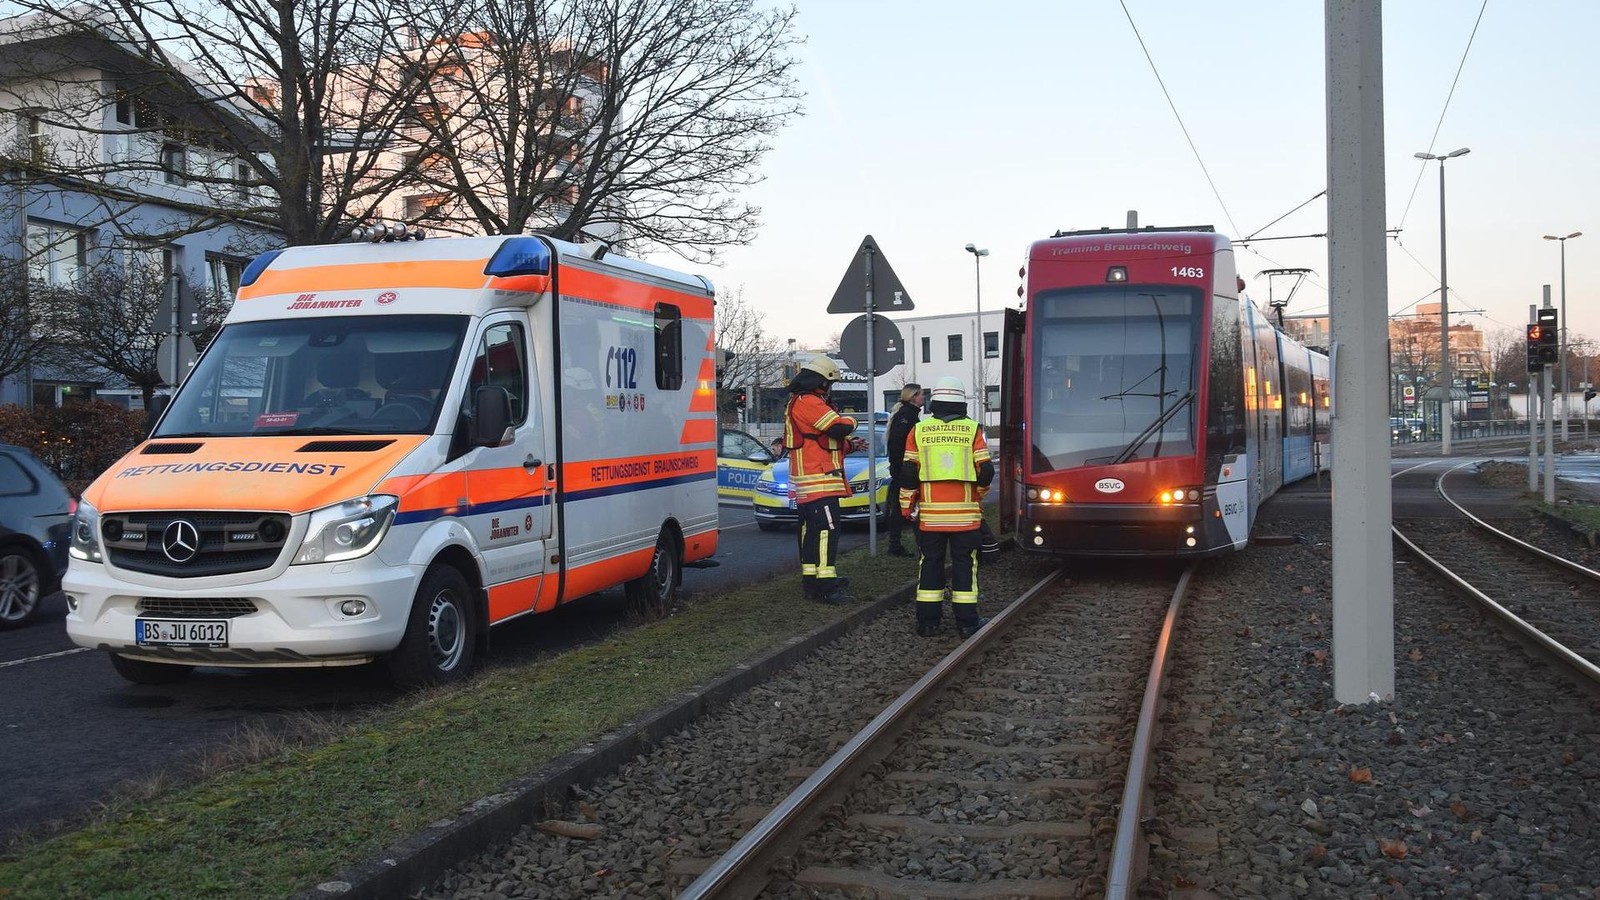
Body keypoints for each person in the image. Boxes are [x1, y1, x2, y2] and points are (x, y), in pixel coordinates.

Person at [899, 375, 994, 638]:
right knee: (965, 565)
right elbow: (985, 472)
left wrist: (907, 507)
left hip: (930, 518)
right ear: (962, 402)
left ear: (934, 402)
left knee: (930, 564)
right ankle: (967, 622)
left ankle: (928, 623)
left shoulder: (918, 430)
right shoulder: (973, 429)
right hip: (965, 518)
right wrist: (978, 498)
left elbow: (908, 474)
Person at [784, 355, 858, 605]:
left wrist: (850, 446)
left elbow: (821, 441)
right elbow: (837, 428)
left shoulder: (802, 401)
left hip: (812, 480)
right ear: (822, 382)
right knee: (827, 531)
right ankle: (826, 586)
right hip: (819, 481)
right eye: (831, 383)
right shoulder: (809, 402)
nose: (831, 389)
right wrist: (853, 421)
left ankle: (813, 581)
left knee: (812, 532)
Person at [884, 382, 924, 556]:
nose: (924, 397)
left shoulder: (908, 415)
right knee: (906, 507)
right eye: (922, 394)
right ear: (913, 396)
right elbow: (898, 446)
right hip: (905, 471)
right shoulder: (906, 417)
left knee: (904, 507)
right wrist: (904, 470)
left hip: (903, 469)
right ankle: (899, 546)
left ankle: (899, 545)